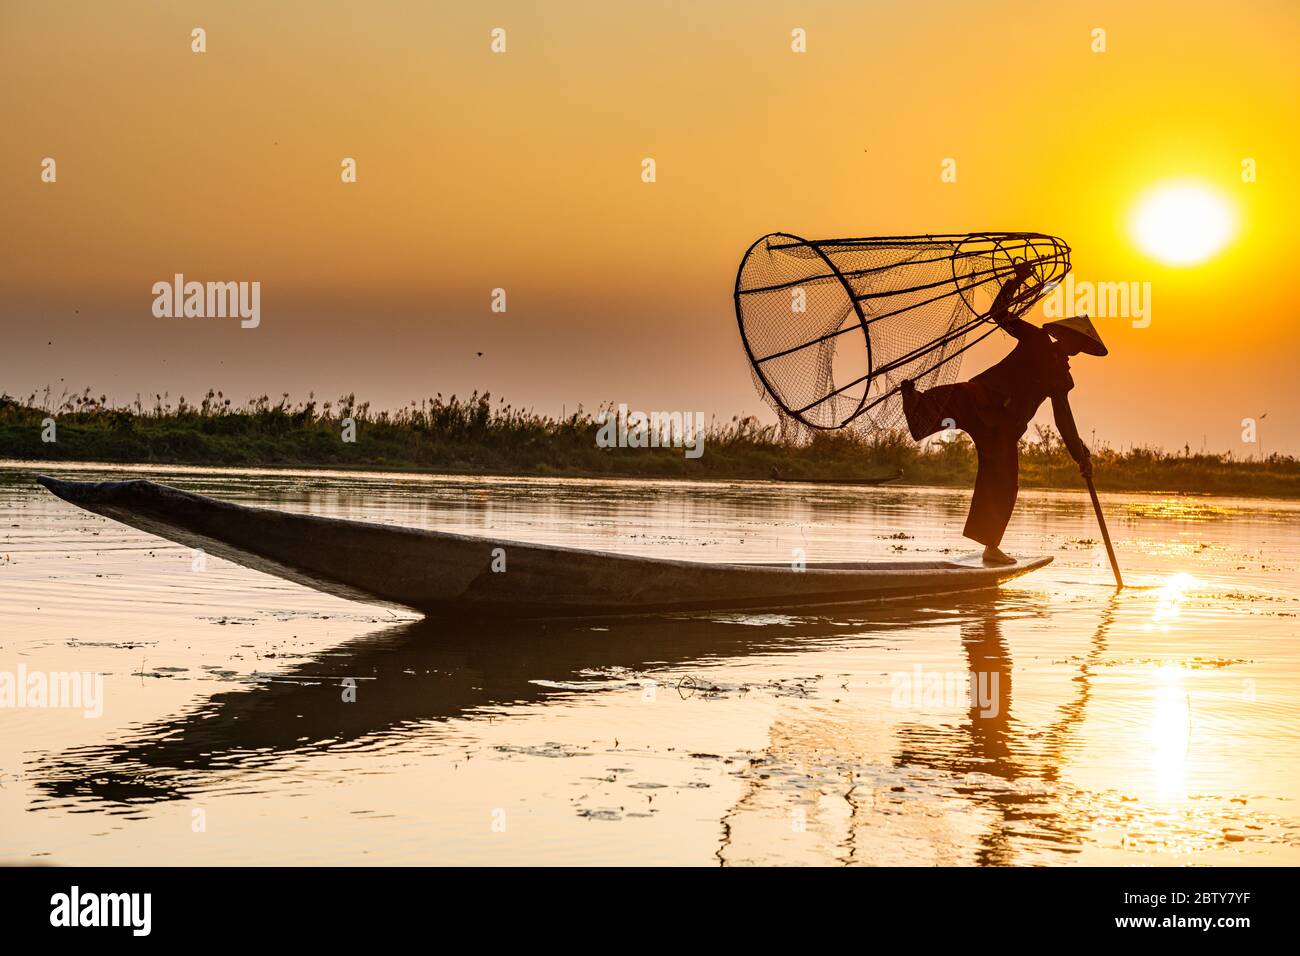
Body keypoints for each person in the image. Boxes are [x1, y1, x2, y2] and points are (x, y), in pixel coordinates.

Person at [901, 262, 1107, 565]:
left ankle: (990, 547)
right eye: (1078, 339)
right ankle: (914, 402)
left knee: (1003, 482)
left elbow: (1064, 420)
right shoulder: (1036, 340)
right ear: (1064, 335)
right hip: (980, 402)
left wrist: (1080, 454)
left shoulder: (1061, 376)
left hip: (1000, 426)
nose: (1079, 346)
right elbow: (999, 313)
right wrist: (1014, 281)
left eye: (1083, 343)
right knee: (940, 406)